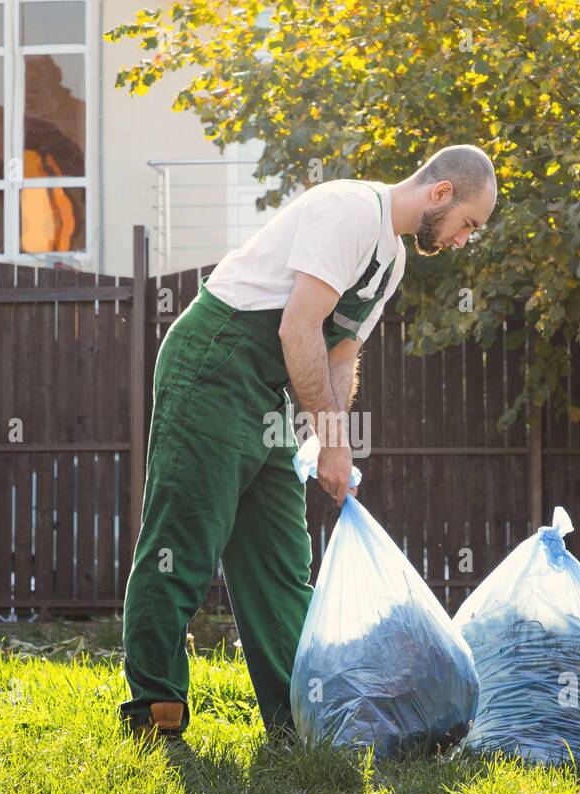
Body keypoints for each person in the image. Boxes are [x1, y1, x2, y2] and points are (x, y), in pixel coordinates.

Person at [119, 144, 498, 742]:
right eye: (467, 224)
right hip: (214, 363)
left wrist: (331, 440)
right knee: (183, 538)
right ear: (441, 193)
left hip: (267, 392)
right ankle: (155, 706)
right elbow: (297, 327)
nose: (462, 240)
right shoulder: (348, 209)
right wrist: (333, 445)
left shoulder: (391, 260)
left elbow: (340, 352)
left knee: (279, 559)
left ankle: (293, 718)